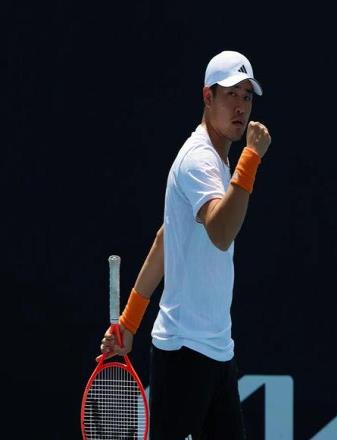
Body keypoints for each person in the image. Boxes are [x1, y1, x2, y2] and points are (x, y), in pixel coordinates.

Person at [98, 50, 271, 439]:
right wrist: (251, 159)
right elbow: (221, 232)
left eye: (247, 96)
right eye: (231, 94)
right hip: (183, 351)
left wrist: (129, 321)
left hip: (216, 349)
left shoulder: (217, 161)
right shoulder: (199, 161)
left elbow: (166, 239)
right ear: (208, 97)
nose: (241, 106)